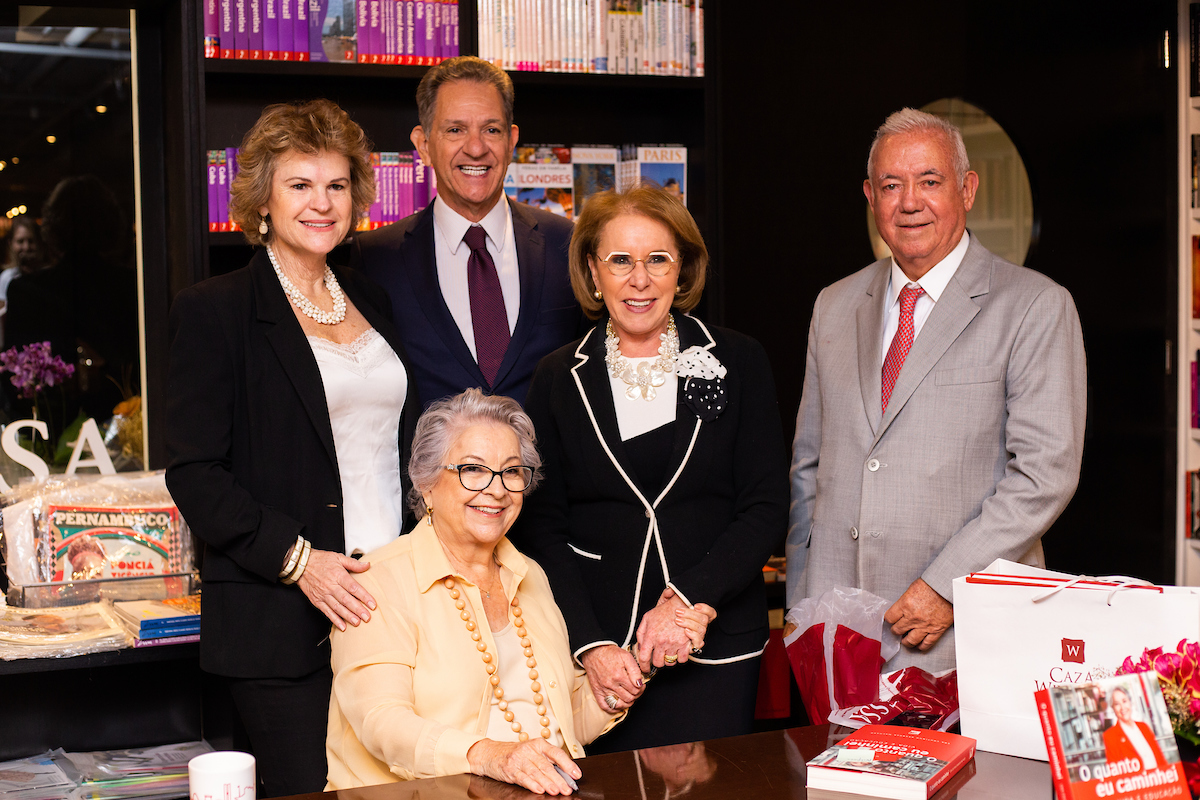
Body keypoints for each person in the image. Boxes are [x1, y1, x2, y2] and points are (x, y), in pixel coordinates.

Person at [165, 99, 420, 797]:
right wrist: (299, 561)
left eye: (336, 185)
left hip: (389, 599)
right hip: (281, 616)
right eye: (300, 186)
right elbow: (194, 473)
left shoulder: (371, 297)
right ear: (263, 202)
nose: (321, 203)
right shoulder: (214, 310)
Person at [785, 108, 1087, 672]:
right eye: (891, 185)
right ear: (870, 196)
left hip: (961, 631)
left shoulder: (1034, 306)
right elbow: (810, 466)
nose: (909, 201)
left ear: (967, 189)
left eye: (930, 181)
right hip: (840, 638)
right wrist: (804, 610)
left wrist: (947, 586)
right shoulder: (834, 305)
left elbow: (1045, 474)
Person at [511, 183, 790, 753]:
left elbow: (764, 507)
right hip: (602, 653)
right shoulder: (557, 377)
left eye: (657, 259)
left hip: (715, 642)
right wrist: (589, 645)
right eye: (620, 261)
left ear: (682, 269)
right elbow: (543, 527)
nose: (639, 280)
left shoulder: (738, 359)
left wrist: (689, 600)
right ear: (593, 271)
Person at [325, 389, 716, 792]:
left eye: (511, 472)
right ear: (426, 482)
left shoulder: (531, 576)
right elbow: (380, 722)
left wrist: (640, 662)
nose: (496, 490)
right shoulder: (377, 580)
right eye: (473, 469)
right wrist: (491, 755)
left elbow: (564, 722)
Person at [352, 56, 583, 407]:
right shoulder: (374, 258)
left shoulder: (565, 243)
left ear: (511, 141)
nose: (476, 148)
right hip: (431, 462)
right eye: (455, 130)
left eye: (491, 129)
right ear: (424, 145)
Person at [5, 178, 138, 422]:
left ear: (53, 227)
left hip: (50, 429)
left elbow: (15, 383)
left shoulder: (25, 291)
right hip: (121, 424)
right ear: (110, 223)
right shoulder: (132, 286)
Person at [1103, 685, 1167, 769]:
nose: (1122, 707)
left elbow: (1160, 757)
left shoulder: (1144, 727)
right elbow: (1114, 770)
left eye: (1124, 701)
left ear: (1130, 702)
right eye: (1117, 704)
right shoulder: (1110, 736)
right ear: (1113, 708)